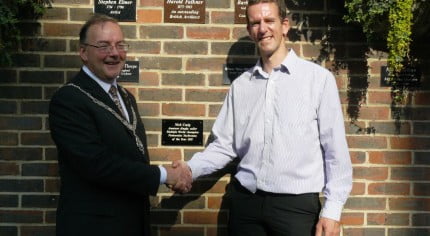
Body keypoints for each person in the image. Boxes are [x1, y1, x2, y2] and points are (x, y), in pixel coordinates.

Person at [174, 0, 352, 235]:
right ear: (250, 31)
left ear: (285, 25)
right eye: (255, 23)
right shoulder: (241, 86)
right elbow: (225, 146)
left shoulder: (318, 80)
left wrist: (332, 210)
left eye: (269, 21)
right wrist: (189, 169)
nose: (263, 28)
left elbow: (335, 152)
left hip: (296, 208)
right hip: (246, 206)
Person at [49, 14, 191, 236]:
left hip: (133, 222)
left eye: (120, 45)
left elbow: (132, 156)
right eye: (103, 46)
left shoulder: (125, 97)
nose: (114, 53)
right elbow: (97, 164)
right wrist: (163, 175)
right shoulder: (69, 99)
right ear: (83, 52)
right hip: (93, 227)